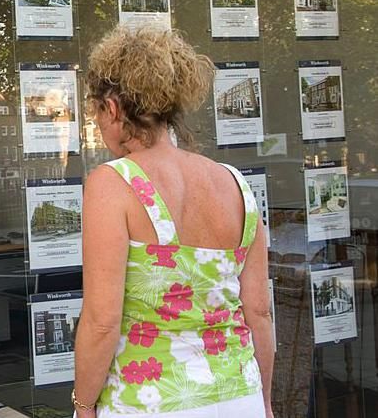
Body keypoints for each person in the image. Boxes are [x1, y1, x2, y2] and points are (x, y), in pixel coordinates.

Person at [72, 27, 274, 418]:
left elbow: (101, 322)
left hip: (148, 402)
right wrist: (263, 401)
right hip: (239, 394)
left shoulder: (112, 184)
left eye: (96, 111)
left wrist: (82, 405)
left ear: (112, 108)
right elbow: (259, 312)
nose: (97, 125)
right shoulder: (234, 184)